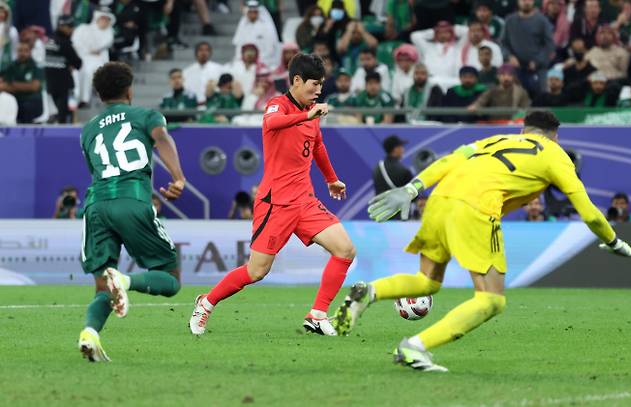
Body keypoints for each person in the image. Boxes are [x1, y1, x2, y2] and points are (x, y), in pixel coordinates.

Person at [332, 110, 631, 372]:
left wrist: (413, 188)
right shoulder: (555, 155)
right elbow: (590, 214)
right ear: (554, 135)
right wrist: (614, 242)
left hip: (440, 200)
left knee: (426, 281)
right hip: (476, 208)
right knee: (491, 299)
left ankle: (369, 291)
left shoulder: (494, 140)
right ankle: (414, 347)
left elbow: (450, 160)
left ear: (524, 130)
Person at [189, 53, 356, 337]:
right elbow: (272, 124)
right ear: (296, 81)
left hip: (305, 200)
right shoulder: (277, 105)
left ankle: (317, 314)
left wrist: (331, 179)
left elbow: (317, 147)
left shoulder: (312, 112)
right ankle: (206, 302)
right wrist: (306, 115)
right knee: (256, 271)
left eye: (321, 85)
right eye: (314, 84)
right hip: (275, 203)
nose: (318, 91)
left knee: (345, 250)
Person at [78, 62, 187, 362]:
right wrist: (177, 176)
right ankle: (126, 281)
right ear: (130, 90)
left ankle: (90, 333)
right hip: (133, 199)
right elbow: (162, 138)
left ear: (99, 95)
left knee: (102, 283)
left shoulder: (87, 131)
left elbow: (96, 170)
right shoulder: (146, 115)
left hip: (96, 206)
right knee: (170, 276)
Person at [501, 0, 555, 98]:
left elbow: (549, 45)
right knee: (515, 100)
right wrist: (509, 56)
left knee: (541, 101)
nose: (526, 2)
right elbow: (503, 43)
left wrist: (537, 61)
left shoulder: (542, 21)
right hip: (516, 69)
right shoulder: (510, 20)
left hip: (538, 70)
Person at [72, 8, 115, 108]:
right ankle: (76, 98)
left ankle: (84, 99)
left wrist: (90, 51)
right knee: (76, 73)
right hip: (80, 57)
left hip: (97, 60)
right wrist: (87, 51)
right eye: (102, 18)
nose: (104, 21)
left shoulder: (109, 33)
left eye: (106, 20)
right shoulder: (83, 28)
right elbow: (76, 43)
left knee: (89, 72)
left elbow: (99, 46)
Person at [44, 15, 82, 124]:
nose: (71, 29)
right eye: (69, 27)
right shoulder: (65, 43)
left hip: (50, 84)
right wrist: (69, 64)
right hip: (65, 85)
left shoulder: (49, 41)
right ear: (63, 27)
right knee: (66, 116)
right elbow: (78, 63)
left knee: (57, 113)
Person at [411, 21, 461, 91]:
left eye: (446, 32)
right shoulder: (428, 47)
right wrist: (433, 31)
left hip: (451, 81)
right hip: (432, 81)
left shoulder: (458, 46)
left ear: (451, 33)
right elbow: (415, 36)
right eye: (440, 33)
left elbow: (466, 33)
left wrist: (453, 29)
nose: (443, 35)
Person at [3, 41, 44, 123]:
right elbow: (4, 86)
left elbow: (34, 87)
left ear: (30, 52)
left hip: (32, 101)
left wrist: (13, 85)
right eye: (20, 50)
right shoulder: (12, 66)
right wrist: (25, 86)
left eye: (25, 51)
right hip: (16, 100)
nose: (23, 53)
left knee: (27, 108)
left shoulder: (35, 66)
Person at [232, 0, 279, 69]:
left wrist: (257, 61)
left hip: (264, 60)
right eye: (250, 12)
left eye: (254, 12)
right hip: (244, 62)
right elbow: (238, 47)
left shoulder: (266, 27)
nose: (252, 14)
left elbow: (270, 49)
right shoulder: (243, 26)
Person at [372, 135, 414, 203]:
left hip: (379, 210)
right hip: (398, 211)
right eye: (401, 147)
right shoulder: (403, 170)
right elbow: (413, 196)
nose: (403, 150)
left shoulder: (377, 168)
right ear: (395, 149)